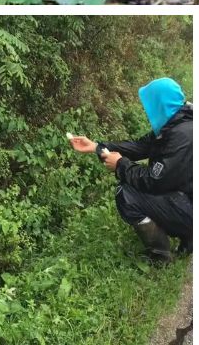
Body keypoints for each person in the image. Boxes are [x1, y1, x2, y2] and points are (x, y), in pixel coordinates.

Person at [68, 77, 192, 262]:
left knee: (126, 194)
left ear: (159, 104)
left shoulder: (181, 136)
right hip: (189, 201)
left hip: (192, 209)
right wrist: (97, 147)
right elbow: (139, 147)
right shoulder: (174, 125)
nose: (146, 111)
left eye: (149, 106)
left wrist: (120, 164)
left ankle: (162, 256)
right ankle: (188, 238)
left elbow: (153, 181)